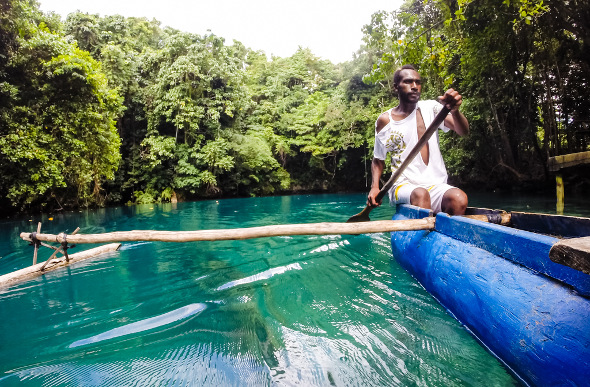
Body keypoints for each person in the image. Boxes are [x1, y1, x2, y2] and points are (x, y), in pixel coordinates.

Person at [367, 64, 469, 215]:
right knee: (421, 194)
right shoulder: (386, 121)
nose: (414, 86)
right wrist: (375, 187)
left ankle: (443, 233)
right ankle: (421, 232)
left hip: (435, 185)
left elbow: (463, 131)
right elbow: (378, 160)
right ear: (396, 87)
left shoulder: (432, 108)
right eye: (408, 82)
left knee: (459, 198)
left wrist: (455, 111)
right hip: (403, 186)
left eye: (418, 82)